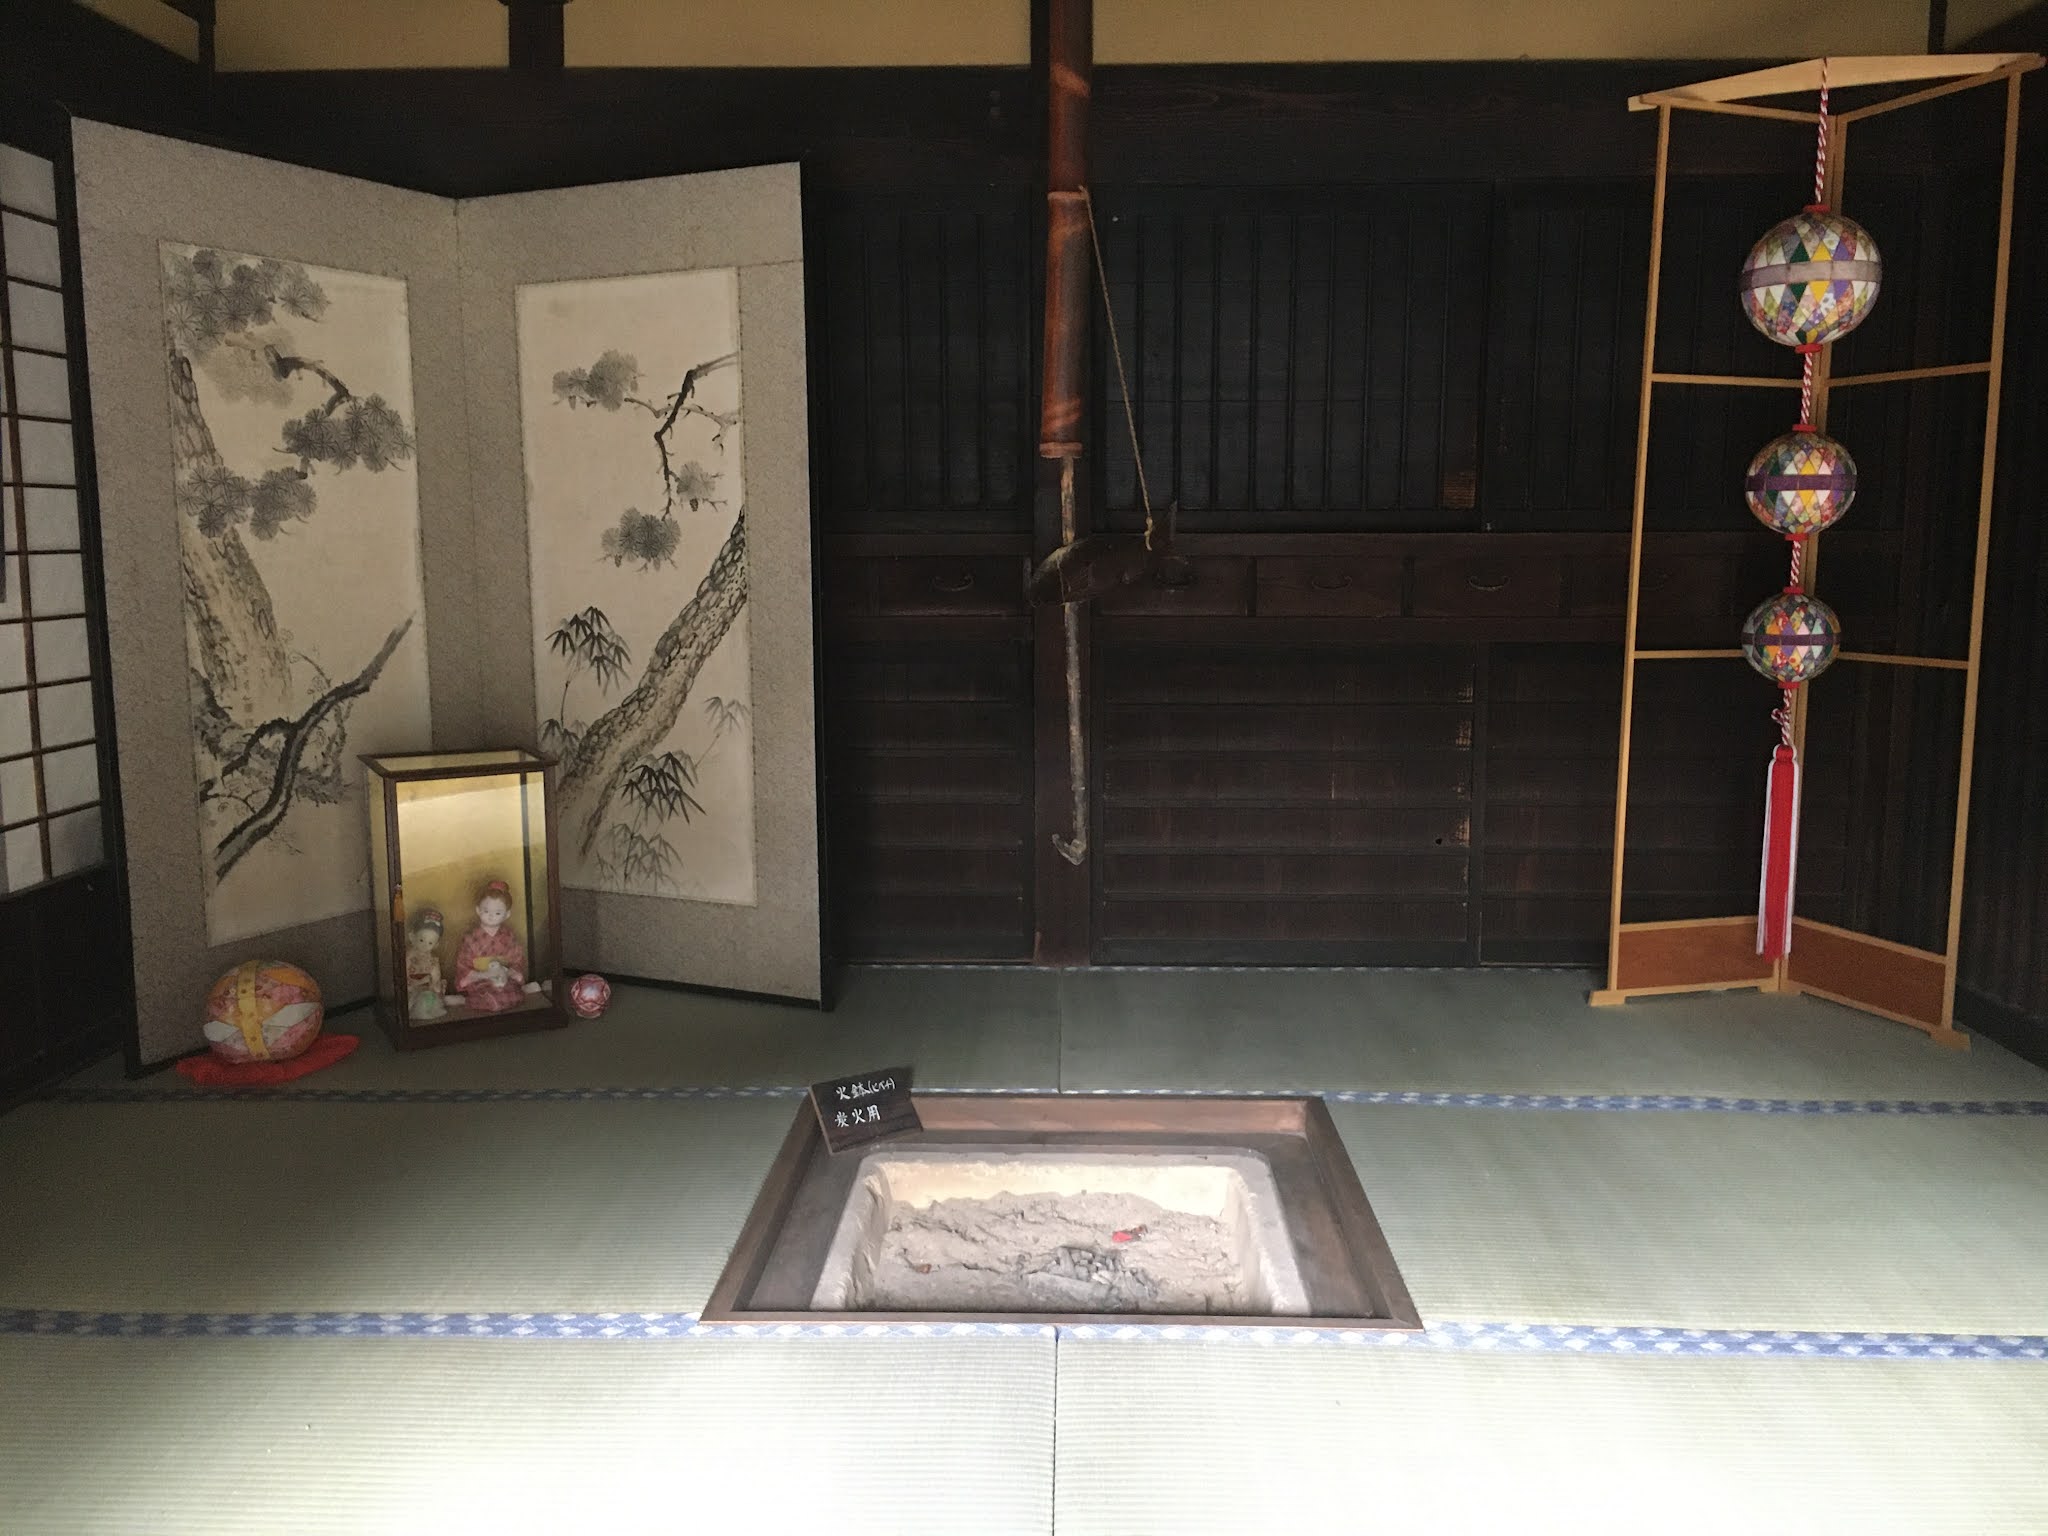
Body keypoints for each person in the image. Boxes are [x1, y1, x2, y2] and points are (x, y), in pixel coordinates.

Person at [453, 878, 529, 1013]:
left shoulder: (508, 936)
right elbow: (463, 966)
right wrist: (484, 975)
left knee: (512, 996)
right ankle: (464, 1000)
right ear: (478, 910)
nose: (491, 916)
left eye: (498, 913)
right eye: (486, 911)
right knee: (490, 999)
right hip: (480, 981)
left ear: (507, 914)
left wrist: (507, 972)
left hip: (503, 979)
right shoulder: (471, 938)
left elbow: (517, 960)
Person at [405, 908, 447, 1021]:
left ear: (436, 944)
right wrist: (414, 983)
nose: (425, 946)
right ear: (412, 937)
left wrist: (432, 983)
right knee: (413, 999)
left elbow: (435, 977)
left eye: (430, 943)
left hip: (426, 988)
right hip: (411, 988)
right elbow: (404, 973)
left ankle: (429, 1011)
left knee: (429, 997)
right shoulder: (408, 957)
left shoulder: (432, 960)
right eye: (421, 940)